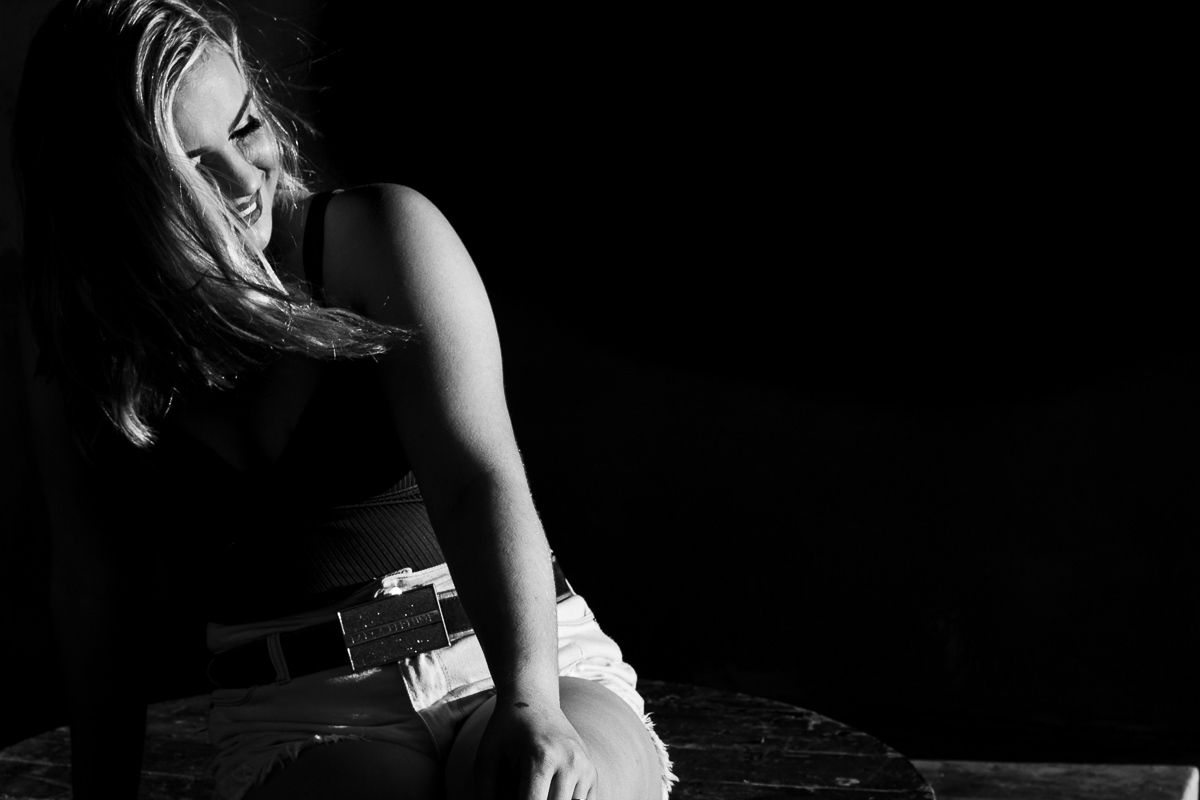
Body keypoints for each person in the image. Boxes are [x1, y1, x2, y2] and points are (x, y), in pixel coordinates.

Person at [14, 1, 675, 798]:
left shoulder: (377, 235)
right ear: (107, 192)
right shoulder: (81, 339)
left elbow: (475, 482)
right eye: (192, 165)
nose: (244, 179)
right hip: (301, 710)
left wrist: (531, 705)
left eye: (245, 127)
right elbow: (96, 585)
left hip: (515, 652)